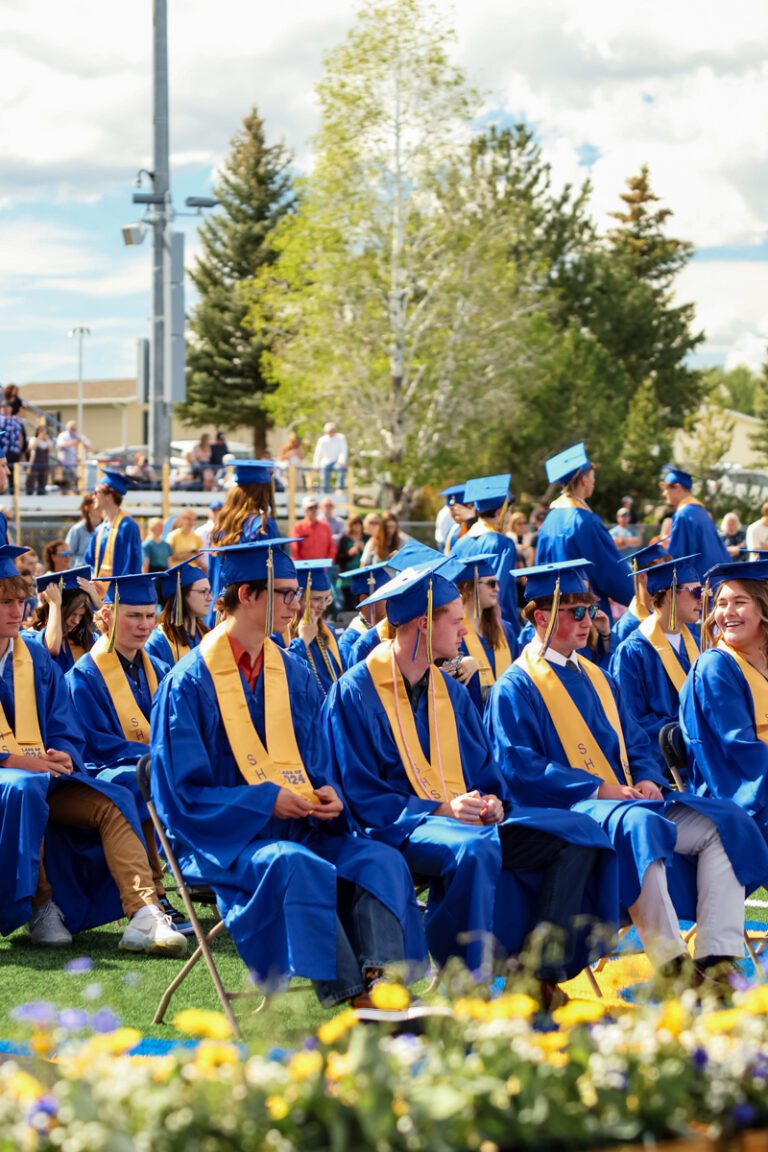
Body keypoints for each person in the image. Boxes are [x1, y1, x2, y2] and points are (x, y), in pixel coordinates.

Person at [325, 557, 618, 1000]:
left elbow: (484, 774)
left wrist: (493, 801)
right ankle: (467, 979)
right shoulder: (356, 692)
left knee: (579, 833)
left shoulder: (453, 693)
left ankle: (537, 973)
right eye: (456, 622)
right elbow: (365, 797)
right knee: (476, 847)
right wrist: (444, 809)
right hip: (398, 829)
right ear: (423, 625)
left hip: (461, 821)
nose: (465, 632)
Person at [150, 537, 426, 1005]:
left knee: (378, 859)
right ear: (246, 595)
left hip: (301, 830)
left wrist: (329, 792)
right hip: (227, 843)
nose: (296, 604)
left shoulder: (293, 673)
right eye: (284, 593)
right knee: (291, 863)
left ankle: (383, 981)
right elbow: (182, 797)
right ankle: (353, 995)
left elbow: (317, 763)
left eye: (295, 593)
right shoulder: (189, 683)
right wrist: (263, 801)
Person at [485, 558, 767, 986]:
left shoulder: (598, 676)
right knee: (638, 825)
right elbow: (521, 766)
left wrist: (649, 777)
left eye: (591, 611)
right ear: (542, 618)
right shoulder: (515, 686)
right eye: (576, 613)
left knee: (724, 821)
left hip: (627, 800)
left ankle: (718, 956)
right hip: (568, 810)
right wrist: (602, 788)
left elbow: (635, 742)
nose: (590, 622)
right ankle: (673, 966)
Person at [0, 546, 185, 954]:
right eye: (5, 602)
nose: (16, 611)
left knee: (114, 799)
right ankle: (41, 905)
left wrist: (63, 751)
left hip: (45, 773)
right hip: (14, 780)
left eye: (19, 601)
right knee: (25, 788)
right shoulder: (82, 669)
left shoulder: (31, 655)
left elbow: (63, 723)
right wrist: (27, 762)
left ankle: (144, 911)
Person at [66, 573, 190, 934]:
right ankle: (153, 892)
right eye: (134, 616)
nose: (145, 625)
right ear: (107, 615)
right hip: (102, 770)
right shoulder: (84, 675)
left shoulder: (160, 670)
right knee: (140, 779)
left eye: (150, 616)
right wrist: (156, 753)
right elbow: (94, 743)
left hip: (151, 764)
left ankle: (205, 878)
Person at [680, 559, 768, 842]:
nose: (727, 613)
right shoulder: (715, 667)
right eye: (721, 604)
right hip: (741, 794)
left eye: (739, 602)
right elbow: (739, 751)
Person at [610, 555, 702, 753]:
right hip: (667, 766)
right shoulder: (632, 652)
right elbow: (632, 721)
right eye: (695, 591)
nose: (701, 599)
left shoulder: (697, 643)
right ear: (669, 595)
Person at [535, 443, 633, 617]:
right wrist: (640, 597)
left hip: (555, 611)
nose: (594, 481)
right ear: (583, 479)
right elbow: (609, 570)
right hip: (586, 614)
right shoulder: (585, 521)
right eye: (592, 476)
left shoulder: (550, 520)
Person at [450, 473, 520, 628]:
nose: (509, 515)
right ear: (499, 512)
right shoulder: (503, 544)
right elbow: (500, 590)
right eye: (508, 510)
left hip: (463, 621)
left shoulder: (459, 543)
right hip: (493, 624)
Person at [454, 554, 519, 712]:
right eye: (491, 583)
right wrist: (459, 664)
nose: (497, 588)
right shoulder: (454, 633)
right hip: (474, 721)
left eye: (497, 583)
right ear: (469, 588)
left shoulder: (506, 630)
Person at [25, 566, 100, 674]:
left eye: (81, 616)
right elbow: (52, 647)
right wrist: (55, 603)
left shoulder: (84, 639)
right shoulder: (31, 637)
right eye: (73, 614)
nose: (76, 621)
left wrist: (98, 603)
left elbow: (115, 644)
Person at [286, 560, 344, 697]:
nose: (323, 607)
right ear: (298, 598)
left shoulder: (328, 632)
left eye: (327, 599)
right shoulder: (280, 636)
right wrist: (303, 641)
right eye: (317, 599)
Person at [660, 464, 729, 578]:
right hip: (716, 578)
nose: (664, 494)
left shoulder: (683, 515)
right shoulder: (701, 511)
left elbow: (678, 556)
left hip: (698, 583)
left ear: (677, 487)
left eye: (667, 489)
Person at [145, 561, 212, 667]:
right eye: (203, 592)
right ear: (181, 595)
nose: (210, 598)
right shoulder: (158, 643)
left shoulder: (207, 635)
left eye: (209, 591)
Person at [85, 470, 143, 583]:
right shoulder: (100, 529)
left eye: (96, 493)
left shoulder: (128, 526)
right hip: (98, 595)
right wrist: (92, 579)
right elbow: (89, 561)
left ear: (109, 496)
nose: (93, 497)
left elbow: (132, 566)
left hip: (121, 596)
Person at [611, 541, 672, 645]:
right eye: (660, 572)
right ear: (642, 577)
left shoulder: (674, 618)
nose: (668, 578)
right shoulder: (628, 627)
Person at [336, 562, 394, 666]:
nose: (390, 600)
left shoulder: (392, 628)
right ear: (365, 599)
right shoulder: (349, 642)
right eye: (385, 595)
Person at [290, 494, 336, 563]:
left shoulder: (325, 526)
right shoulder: (298, 527)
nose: (313, 510)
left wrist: (328, 562)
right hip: (304, 568)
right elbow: (294, 550)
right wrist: (299, 567)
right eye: (310, 508)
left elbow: (331, 547)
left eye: (315, 507)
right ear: (305, 510)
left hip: (321, 568)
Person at [438, 484, 475, 555]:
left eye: (456, 511)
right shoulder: (454, 529)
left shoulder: (476, 529)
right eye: (451, 510)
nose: (453, 515)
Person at [55, 421, 91, 494]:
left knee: (78, 481)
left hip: (78, 465)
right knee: (66, 482)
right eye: (71, 428)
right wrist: (71, 443)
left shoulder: (80, 436)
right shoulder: (63, 436)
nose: (73, 430)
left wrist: (81, 442)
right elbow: (59, 445)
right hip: (66, 464)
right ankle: (65, 494)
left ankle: (77, 493)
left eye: (74, 428)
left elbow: (89, 445)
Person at [313, 422, 348, 493]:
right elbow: (318, 453)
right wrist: (315, 465)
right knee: (325, 472)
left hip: (337, 461)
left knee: (341, 469)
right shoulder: (322, 440)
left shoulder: (340, 438)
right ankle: (325, 490)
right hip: (326, 461)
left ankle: (339, 487)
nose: (331, 433)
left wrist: (341, 461)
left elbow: (343, 450)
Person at [65, 495, 99, 567]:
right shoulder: (77, 529)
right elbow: (68, 555)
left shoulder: (106, 528)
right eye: (95, 503)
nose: (100, 507)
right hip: (82, 574)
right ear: (87, 507)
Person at [26, 422, 52, 495]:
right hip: (35, 463)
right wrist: (39, 438)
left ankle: (41, 493)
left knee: (43, 481)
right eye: (41, 430)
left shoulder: (47, 441)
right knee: (31, 481)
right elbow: (31, 447)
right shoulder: (33, 439)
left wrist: (46, 440)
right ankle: (29, 493)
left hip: (44, 463)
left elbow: (50, 450)